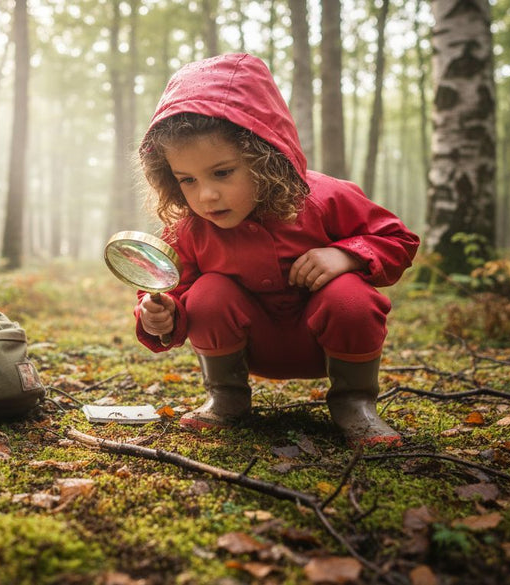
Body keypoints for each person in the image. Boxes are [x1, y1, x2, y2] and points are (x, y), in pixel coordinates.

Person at [133, 53, 420, 446]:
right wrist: (160, 315)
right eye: (187, 180)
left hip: (326, 344)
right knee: (208, 292)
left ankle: (355, 404)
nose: (207, 194)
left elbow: (398, 240)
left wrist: (346, 255)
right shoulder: (188, 228)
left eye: (222, 172)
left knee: (349, 294)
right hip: (247, 349)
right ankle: (226, 398)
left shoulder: (322, 198)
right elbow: (167, 288)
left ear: (264, 156)